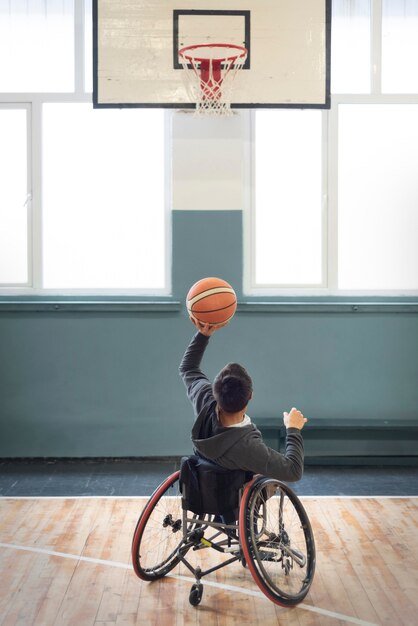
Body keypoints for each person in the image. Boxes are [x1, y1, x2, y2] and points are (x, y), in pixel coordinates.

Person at [179, 317, 308, 482]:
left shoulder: (204, 400)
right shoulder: (249, 448)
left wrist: (203, 334)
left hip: (202, 490)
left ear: (214, 392)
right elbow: (293, 471)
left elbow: (188, 368)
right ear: (250, 396)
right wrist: (293, 429)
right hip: (233, 502)